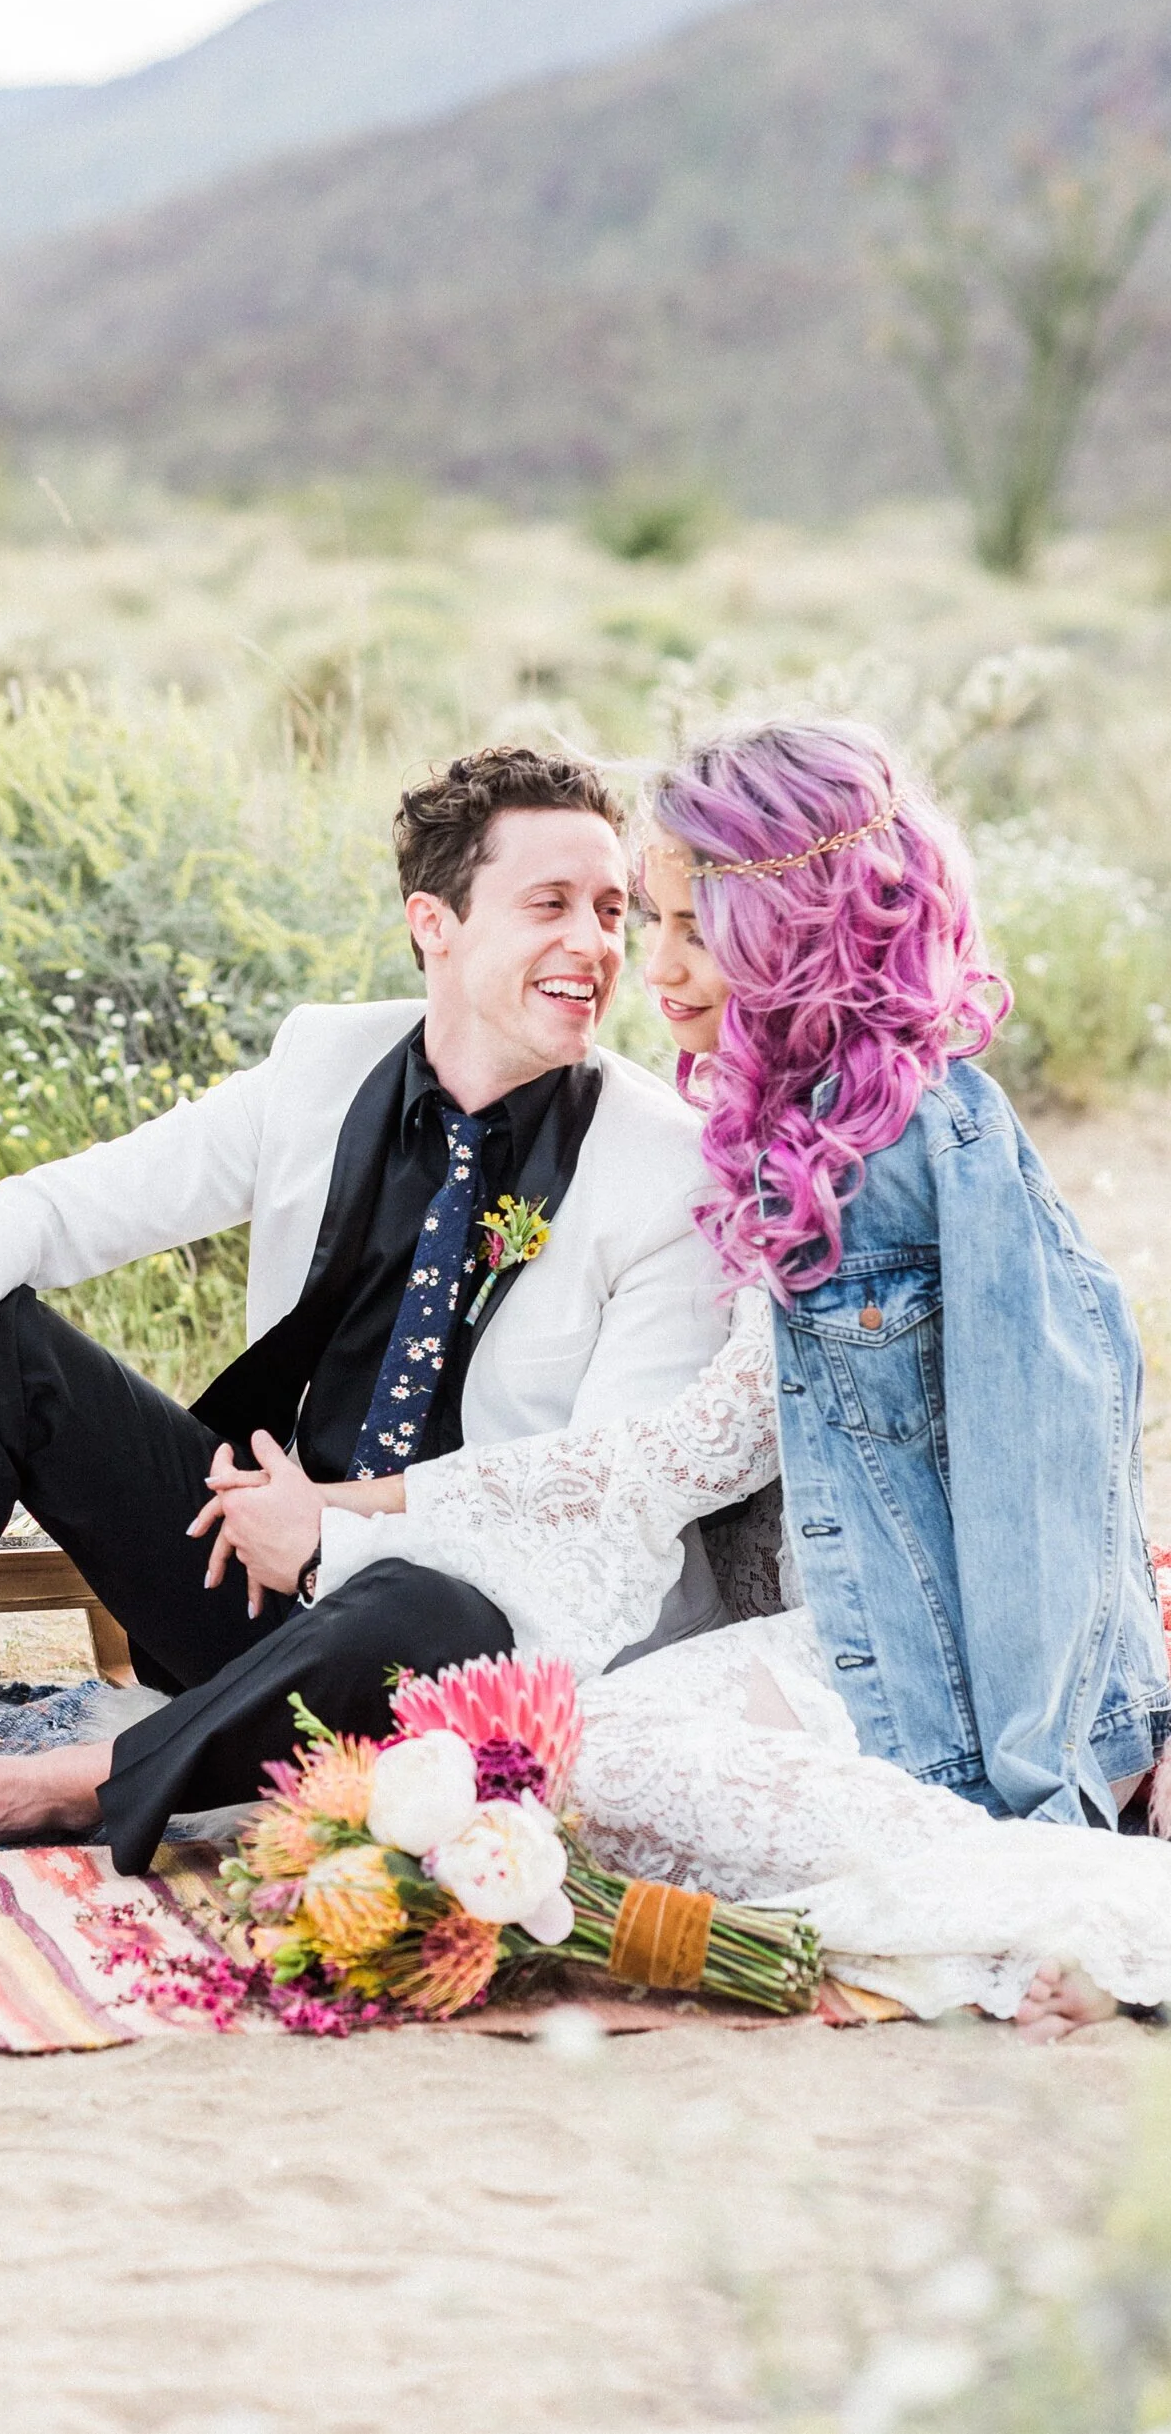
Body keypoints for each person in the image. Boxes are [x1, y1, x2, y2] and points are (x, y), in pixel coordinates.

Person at [0, 744, 736, 1883]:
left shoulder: (662, 1170)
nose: (594, 943)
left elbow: (595, 1512)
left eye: (611, 910)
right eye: (550, 904)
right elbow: (58, 1209)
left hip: (474, 1638)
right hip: (252, 1575)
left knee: (419, 1604)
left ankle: (78, 1782)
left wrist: (331, 1530)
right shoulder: (324, 1065)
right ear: (437, 923)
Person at [201, 718, 1171, 2037]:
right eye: (650, 921)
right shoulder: (824, 1131)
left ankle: (1061, 1883)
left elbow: (1039, 1471)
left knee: (575, 1766)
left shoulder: (900, 1150)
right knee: (551, 1761)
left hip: (938, 1682)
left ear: (795, 927)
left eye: (689, 930)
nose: (648, 969)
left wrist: (1046, 1764)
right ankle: (997, 1885)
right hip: (854, 1634)